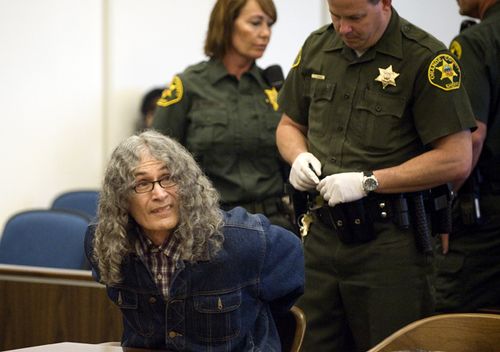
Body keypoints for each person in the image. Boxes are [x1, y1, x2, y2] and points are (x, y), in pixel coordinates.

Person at [275, 0, 477, 350]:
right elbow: (289, 124)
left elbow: (455, 158)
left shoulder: (426, 57)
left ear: (384, 3)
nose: (343, 28)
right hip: (321, 237)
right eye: (336, 16)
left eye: (354, 17)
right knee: (308, 342)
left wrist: (370, 181)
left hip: (389, 246)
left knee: (391, 345)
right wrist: (298, 156)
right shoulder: (318, 46)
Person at [84, 130, 304, 351]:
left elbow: (289, 290)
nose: (159, 194)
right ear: (121, 198)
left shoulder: (245, 240)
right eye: (141, 184)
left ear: (187, 184)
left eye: (168, 178)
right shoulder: (104, 241)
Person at [152, 0, 295, 233]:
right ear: (227, 24)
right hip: (210, 224)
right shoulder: (190, 85)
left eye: (269, 25)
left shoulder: (275, 87)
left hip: (272, 223)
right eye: (256, 23)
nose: (265, 33)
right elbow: (157, 156)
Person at [435, 0, 500, 313]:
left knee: (451, 329)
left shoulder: (474, 43)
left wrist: (440, 210)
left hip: (484, 223)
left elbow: (472, 138)